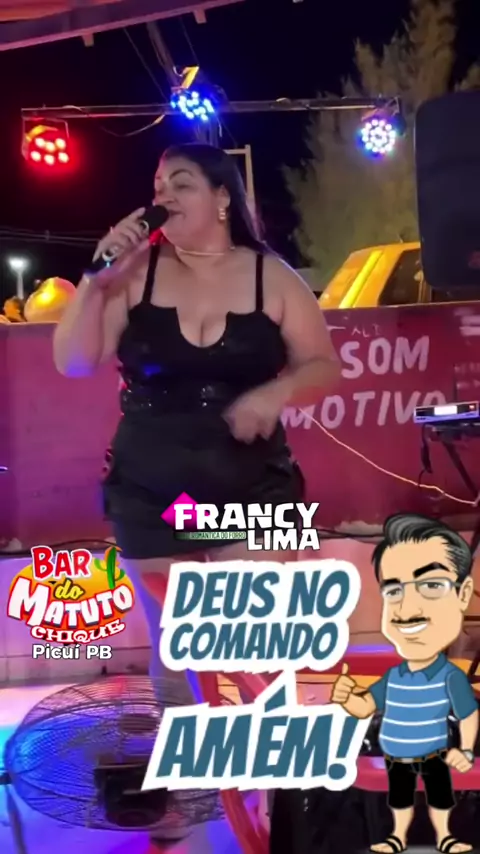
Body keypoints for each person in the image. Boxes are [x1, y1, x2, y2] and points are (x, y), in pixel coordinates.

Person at [331, 513, 479, 854]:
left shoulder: (450, 677)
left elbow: (468, 714)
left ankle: (444, 836)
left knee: (439, 797)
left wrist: (467, 751)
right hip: (395, 757)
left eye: (431, 586)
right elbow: (365, 706)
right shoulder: (394, 676)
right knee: (398, 799)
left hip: (436, 756)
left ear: (462, 594)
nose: (407, 608)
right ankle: (397, 835)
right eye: (394, 590)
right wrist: (347, 698)